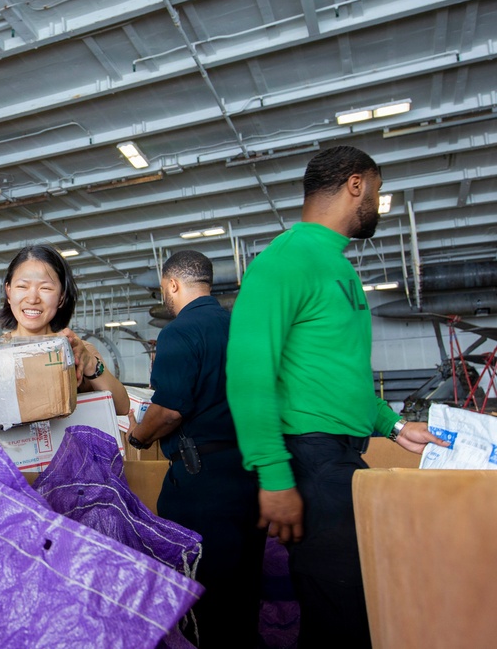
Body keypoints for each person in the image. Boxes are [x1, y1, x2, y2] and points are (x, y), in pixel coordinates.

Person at [225, 145, 448, 648]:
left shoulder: (339, 268)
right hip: (310, 457)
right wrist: (274, 475)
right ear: (355, 185)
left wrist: (393, 424)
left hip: (341, 455)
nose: (377, 201)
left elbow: (337, 372)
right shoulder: (285, 260)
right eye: (378, 190)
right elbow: (248, 373)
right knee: (341, 609)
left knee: (358, 601)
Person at [127, 250, 265, 648]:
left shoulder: (179, 332)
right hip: (250, 475)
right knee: (244, 593)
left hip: (201, 480)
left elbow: (168, 411)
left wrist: (138, 436)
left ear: (172, 284)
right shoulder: (241, 327)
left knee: (200, 598)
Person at [0, 244, 129, 416]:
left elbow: (122, 407)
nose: (33, 298)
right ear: (9, 291)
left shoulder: (77, 351)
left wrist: (88, 363)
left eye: (45, 288)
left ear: (61, 297)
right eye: (22, 286)